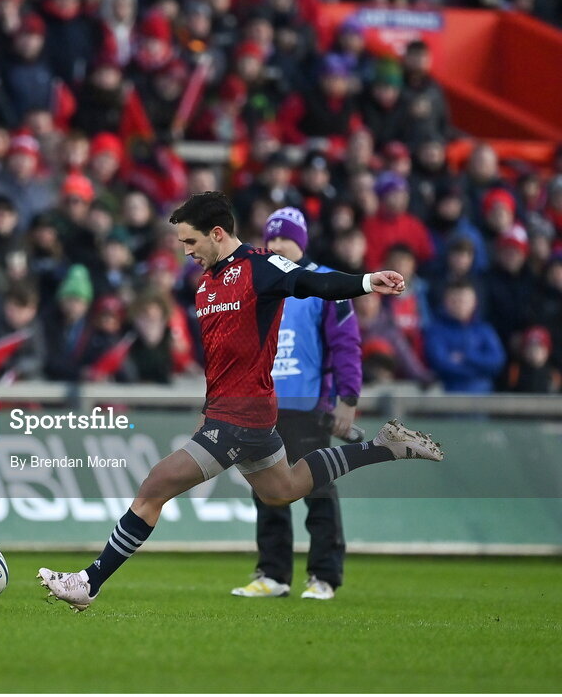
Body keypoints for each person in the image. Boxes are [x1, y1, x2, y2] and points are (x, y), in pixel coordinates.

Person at [39, 192, 443, 611]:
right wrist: (205, 412)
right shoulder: (205, 286)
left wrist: (365, 280)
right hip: (233, 412)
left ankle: (89, 581)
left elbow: (315, 283)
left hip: (243, 414)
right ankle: (385, 447)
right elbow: (219, 362)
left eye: (191, 242)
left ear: (217, 233)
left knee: (153, 489)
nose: (187, 252)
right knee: (281, 490)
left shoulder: (262, 266)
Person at [229, 208, 361, 602]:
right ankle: (273, 574)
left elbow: (345, 345)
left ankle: (324, 575)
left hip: (308, 407)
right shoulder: (260, 283)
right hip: (261, 406)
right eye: (270, 239)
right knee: (267, 492)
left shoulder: (324, 285)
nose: (275, 245)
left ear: (300, 242)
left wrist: (347, 399)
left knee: (317, 489)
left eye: (283, 238)